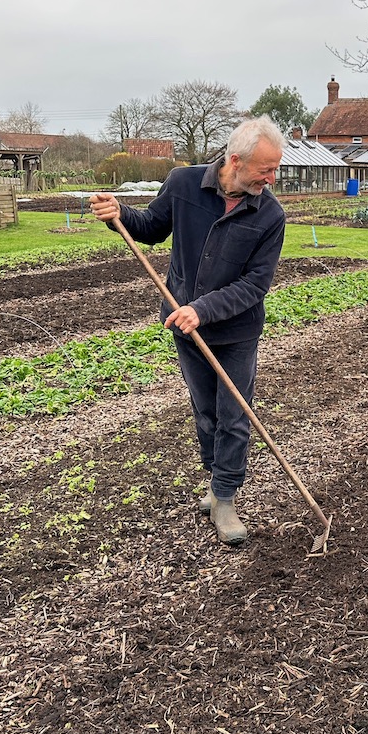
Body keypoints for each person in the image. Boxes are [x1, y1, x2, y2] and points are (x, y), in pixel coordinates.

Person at [90, 116, 286, 544]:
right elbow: (151, 228)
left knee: (235, 417)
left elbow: (255, 284)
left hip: (235, 332)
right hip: (185, 326)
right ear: (235, 161)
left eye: (276, 169)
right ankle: (216, 482)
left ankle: (226, 498)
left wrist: (203, 309)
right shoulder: (182, 184)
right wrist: (118, 213)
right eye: (265, 170)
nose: (272, 179)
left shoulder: (270, 214)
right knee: (206, 412)